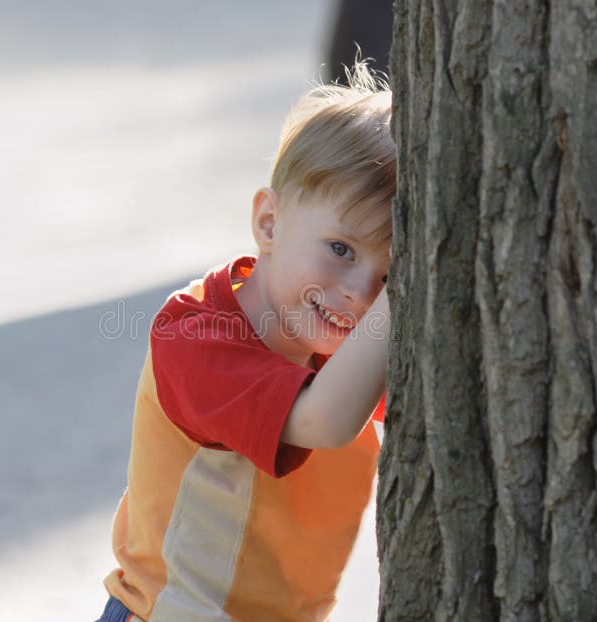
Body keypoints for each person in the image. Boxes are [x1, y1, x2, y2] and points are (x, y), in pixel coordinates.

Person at [96, 60, 395, 622]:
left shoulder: (342, 336)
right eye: (340, 249)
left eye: (387, 274)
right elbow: (323, 421)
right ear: (270, 222)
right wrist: (401, 297)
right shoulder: (196, 337)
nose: (360, 293)